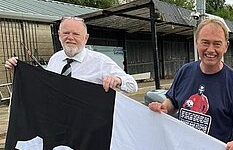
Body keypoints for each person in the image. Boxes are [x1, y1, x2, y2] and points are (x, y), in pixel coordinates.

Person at [148, 18, 233, 150]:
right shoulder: (185, 71)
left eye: (217, 44)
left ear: (226, 46)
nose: (210, 50)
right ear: (197, 43)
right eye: (205, 42)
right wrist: (163, 107)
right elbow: (173, 101)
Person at [5, 16, 138, 93]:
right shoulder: (55, 59)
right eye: (66, 33)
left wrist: (119, 81)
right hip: (58, 122)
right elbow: (44, 86)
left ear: (85, 38)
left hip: (87, 127)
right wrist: (18, 71)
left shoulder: (100, 61)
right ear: (59, 35)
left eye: (76, 34)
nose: (70, 37)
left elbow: (133, 86)